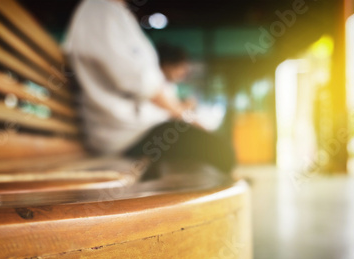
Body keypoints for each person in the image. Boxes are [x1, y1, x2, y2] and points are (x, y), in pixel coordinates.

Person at [62, 0, 236, 175]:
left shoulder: (113, 12)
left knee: (212, 150)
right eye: (181, 68)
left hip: (138, 130)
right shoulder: (99, 9)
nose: (183, 73)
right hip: (127, 135)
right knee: (219, 151)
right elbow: (139, 81)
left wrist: (184, 114)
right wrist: (186, 116)